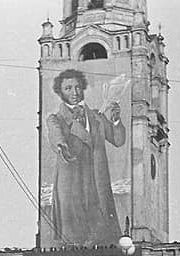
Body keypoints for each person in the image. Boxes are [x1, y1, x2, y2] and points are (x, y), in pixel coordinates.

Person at [47, 68, 125, 246]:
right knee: (74, 230)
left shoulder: (97, 117)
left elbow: (118, 140)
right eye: (68, 88)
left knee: (100, 224)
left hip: (96, 178)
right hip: (73, 178)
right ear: (60, 92)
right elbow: (55, 134)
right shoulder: (55, 119)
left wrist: (115, 121)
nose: (74, 92)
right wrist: (62, 146)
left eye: (77, 87)